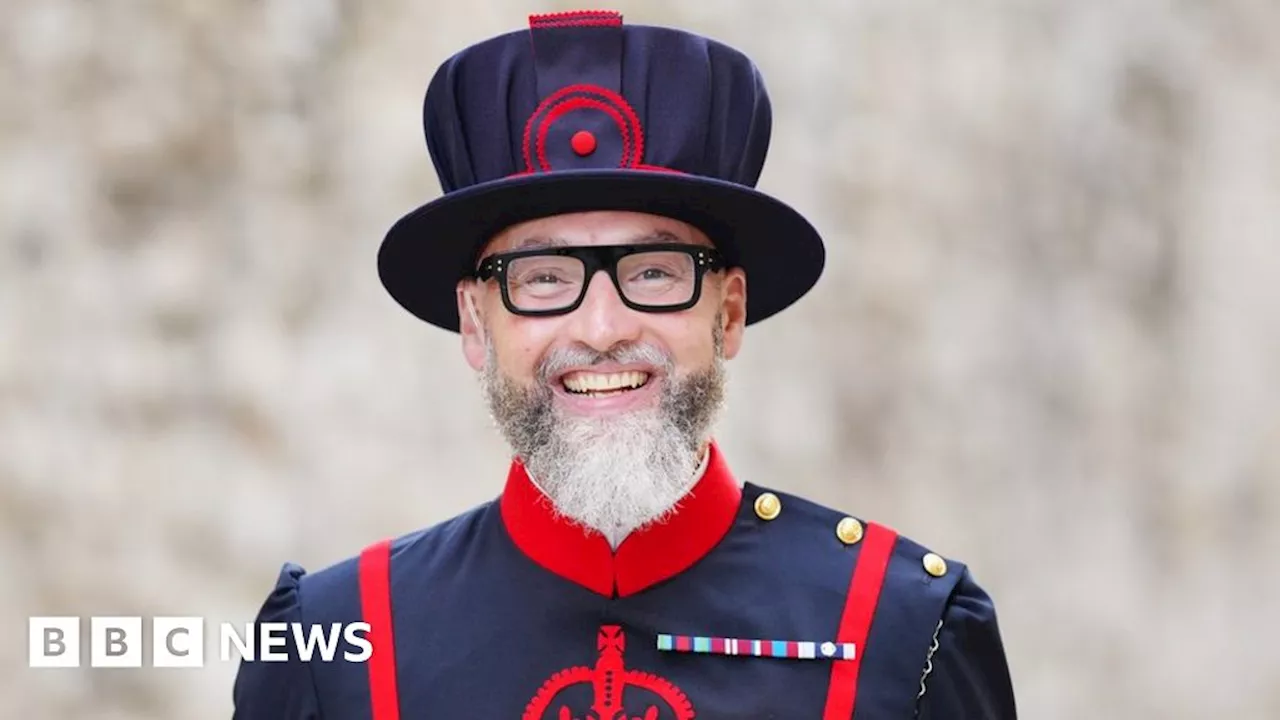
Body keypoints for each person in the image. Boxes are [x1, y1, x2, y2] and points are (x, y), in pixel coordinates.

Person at [232, 9, 1016, 719]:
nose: (602, 327)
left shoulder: (905, 628)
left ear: (729, 312)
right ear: (475, 321)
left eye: (653, 271)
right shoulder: (332, 644)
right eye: (542, 277)